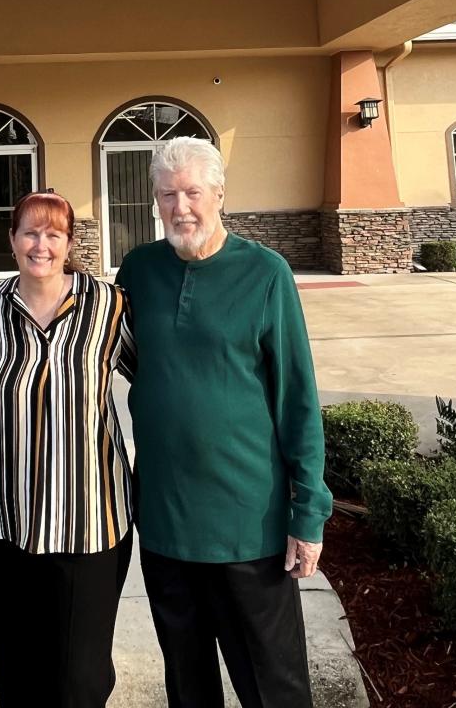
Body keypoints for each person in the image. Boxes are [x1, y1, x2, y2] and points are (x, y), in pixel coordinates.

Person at [116, 136, 332, 708]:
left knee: (273, 684)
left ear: (219, 195)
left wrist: (308, 510)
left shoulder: (265, 272)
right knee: (188, 684)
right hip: (164, 521)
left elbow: (298, 398)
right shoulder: (138, 270)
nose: (179, 207)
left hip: (247, 523)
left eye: (191, 192)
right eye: (167, 195)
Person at [0, 190, 135, 708]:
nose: (41, 245)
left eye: (53, 234)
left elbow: (158, 378)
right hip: (0, 520)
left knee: (78, 682)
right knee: (17, 676)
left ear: (69, 242)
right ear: (12, 240)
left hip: (86, 520)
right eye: (30, 233)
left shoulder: (108, 305)